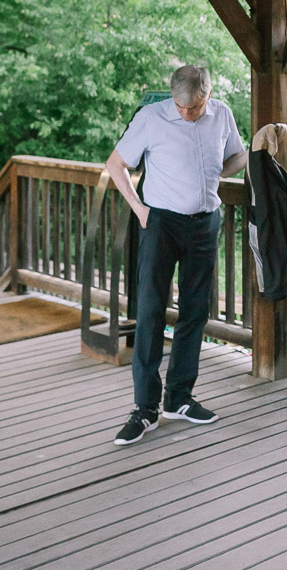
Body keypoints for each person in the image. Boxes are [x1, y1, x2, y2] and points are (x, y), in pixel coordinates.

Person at [105, 65, 248, 446]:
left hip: (205, 223)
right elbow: (115, 164)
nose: (190, 113)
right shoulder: (151, 119)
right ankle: (145, 408)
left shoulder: (223, 114)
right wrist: (139, 209)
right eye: (184, 108)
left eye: (197, 106)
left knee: (195, 311)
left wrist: (215, 179)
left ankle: (179, 399)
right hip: (161, 224)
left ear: (208, 94)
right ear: (173, 97)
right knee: (151, 310)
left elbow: (239, 155)